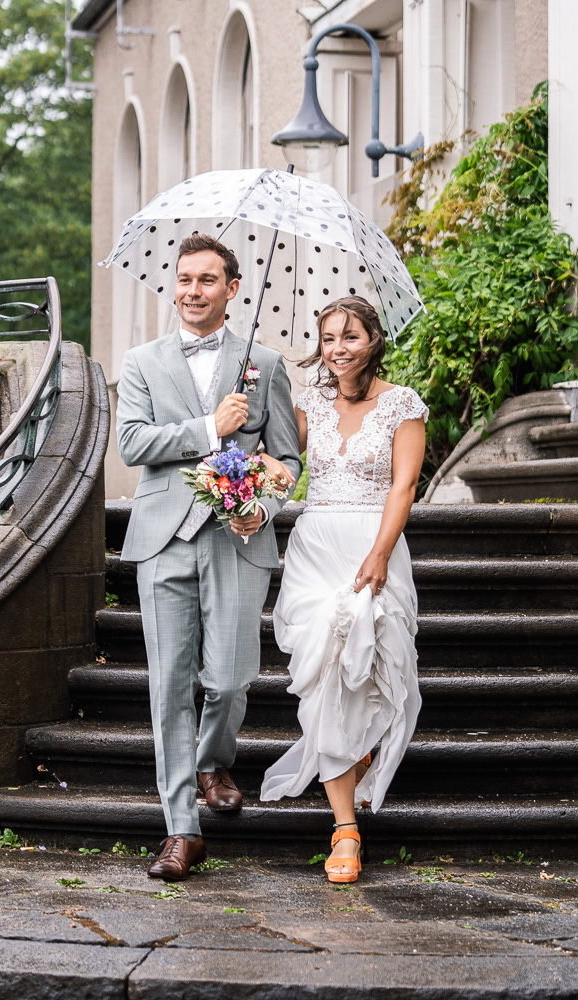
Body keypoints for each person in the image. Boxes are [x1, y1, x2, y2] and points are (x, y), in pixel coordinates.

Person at [116, 234, 302, 881]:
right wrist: (208, 430)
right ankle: (180, 830)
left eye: (206, 280)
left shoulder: (266, 365)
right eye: (184, 279)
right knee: (169, 688)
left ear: (232, 289)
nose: (192, 290)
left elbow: (289, 461)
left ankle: (212, 756)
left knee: (228, 678)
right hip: (162, 538)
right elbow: (133, 442)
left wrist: (265, 505)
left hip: (236, 537)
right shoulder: (141, 361)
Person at [260, 294, 427, 884]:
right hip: (315, 547)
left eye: (350, 337)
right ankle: (345, 829)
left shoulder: (401, 404)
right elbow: (285, 465)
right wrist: (252, 468)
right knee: (326, 678)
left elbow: (403, 487)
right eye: (329, 339)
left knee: (375, 665)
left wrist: (380, 553)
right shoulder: (310, 404)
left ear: (373, 340)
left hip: (370, 546)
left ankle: (361, 752)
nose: (337, 350)